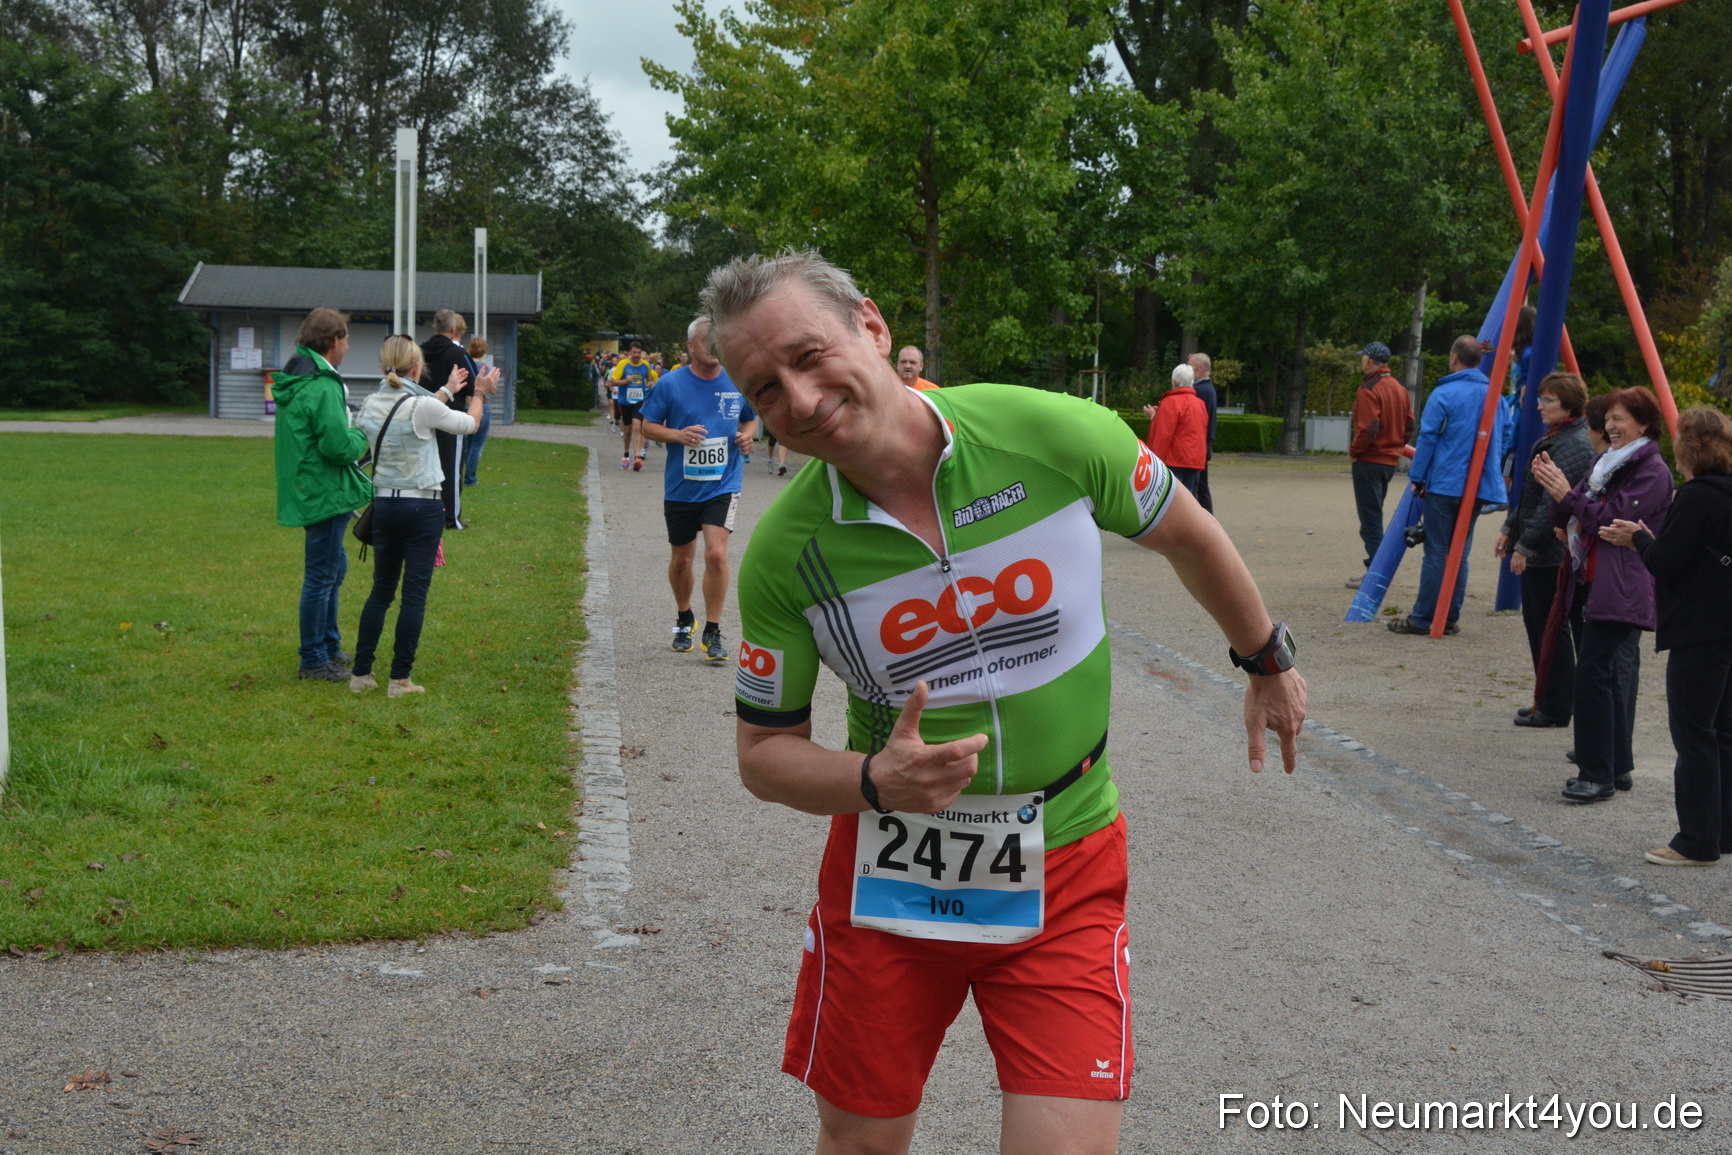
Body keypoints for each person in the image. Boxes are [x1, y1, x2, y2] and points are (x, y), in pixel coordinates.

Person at [709, 250, 1306, 1154]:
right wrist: (874, 778)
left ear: (871, 325)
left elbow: (1189, 533)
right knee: (862, 1144)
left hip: (1066, 859)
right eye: (763, 390)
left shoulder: (1051, 433)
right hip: (890, 882)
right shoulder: (787, 553)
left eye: (809, 354)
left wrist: (1265, 655)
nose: (796, 399)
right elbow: (762, 754)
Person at [1601, 407, 1732, 859]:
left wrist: (1637, 538)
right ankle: (1723, 831)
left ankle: (1696, 841)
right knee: (1723, 730)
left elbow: (1666, 562)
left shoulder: (1695, 496)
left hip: (1700, 628)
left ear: (1688, 446)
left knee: (1693, 733)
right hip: (1727, 626)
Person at [1532, 386, 1672, 802]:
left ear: (1644, 423)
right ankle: (1617, 766)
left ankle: (1597, 774)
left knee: (1593, 673)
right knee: (1604, 675)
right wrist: (1560, 495)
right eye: (1607, 418)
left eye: (1620, 418)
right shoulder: (1605, 464)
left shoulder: (1652, 470)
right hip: (1591, 577)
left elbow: (1610, 522)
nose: (1610, 426)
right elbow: (1572, 512)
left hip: (1623, 584)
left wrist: (1567, 497)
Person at [350, 335, 499, 696]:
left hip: (384, 505)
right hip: (422, 506)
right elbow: (469, 425)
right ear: (417, 366)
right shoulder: (421, 405)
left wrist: (447, 390)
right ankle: (399, 678)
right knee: (414, 595)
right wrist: (477, 394)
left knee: (381, 591)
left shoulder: (370, 403)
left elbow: (414, 410)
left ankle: (360, 674)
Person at [637, 317, 758, 661]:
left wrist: (747, 435)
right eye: (708, 341)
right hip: (681, 488)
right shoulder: (670, 384)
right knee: (681, 560)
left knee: (716, 554)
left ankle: (713, 630)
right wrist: (677, 435)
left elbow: (750, 417)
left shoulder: (735, 381)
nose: (716, 347)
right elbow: (648, 426)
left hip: (723, 483)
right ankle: (684, 616)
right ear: (691, 346)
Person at [272, 307, 371, 683]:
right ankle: (313, 659)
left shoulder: (297, 379)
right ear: (333, 341)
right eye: (345, 340)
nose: (347, 347)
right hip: (324, 490)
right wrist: (362, 433)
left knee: (333, 568)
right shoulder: (323, 385)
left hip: (310, 486)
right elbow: (338, 447)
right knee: (322, 575)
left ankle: (328, 647)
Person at [1388, 335, 1508, 636]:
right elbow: (1505, 437)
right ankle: (1450, 615)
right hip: (1478, 484)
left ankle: (1425, 617)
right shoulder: (1497, 396)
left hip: (1445, 482)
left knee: (1436, 551)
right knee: (1460, 551)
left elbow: (1428, 438)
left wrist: (1418, 477)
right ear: (1479, 361)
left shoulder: (1445, 393)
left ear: (1454, 358)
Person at [1493, 372, 1593, 728]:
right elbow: (1532, 494)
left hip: (1552, 552)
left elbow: (1551, 505)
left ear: (1566, 403)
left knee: (1551, 629)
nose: (1539, 406)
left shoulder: (1574, 444)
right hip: (1541, 549)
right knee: (1538, 626)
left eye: (1547, 400)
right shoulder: (1558, 438)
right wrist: (1509, 527)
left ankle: (1556, 703)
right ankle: (1546, 697)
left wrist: (1525, 544)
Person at [1346, 342, 1414, 588]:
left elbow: (1368, 427)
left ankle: (1375, 574)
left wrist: (1355, 452)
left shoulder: (1368, 389)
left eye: (1363, 356)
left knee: (1370, 520)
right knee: (1375, 514)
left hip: (1369, 460)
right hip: (1389, 462)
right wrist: (1396, 446)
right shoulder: (1400, 388)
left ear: (1369, 360)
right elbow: (1409, 425)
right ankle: (1373, 567)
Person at [419, 310, 474, 529]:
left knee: (425, 466)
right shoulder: (457, 354)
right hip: (451, 416)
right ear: (453, 330)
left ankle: (425, 510)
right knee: (450, 468)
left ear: (434, 327)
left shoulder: (419, 351)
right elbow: (472, 385)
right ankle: (451, 517)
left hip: (422, 415)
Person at [1142, 363, 1208, 496]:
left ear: (1175, 382)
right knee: (1189, 499)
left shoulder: (1170, 402)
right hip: (1194, 461)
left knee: (1170, 500)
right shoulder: (1200, 404)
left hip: (1174, 460)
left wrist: (1154, 462)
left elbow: (1163, 435)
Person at [610, 341, 659, 470]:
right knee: (628, 430)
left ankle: (637, 457)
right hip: (625, 401)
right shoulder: (623, 364)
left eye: (638, 353)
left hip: (639, 401)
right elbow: (612, 381)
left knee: (637, 427)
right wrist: (626, 381)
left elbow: (649, 377)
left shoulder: (646, 365)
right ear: (629, 353)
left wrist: (650, 383)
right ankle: (626, 455)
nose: (636, 355)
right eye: (634, 353)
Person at [1187, 352, 1219, 513]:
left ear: (1200, 368)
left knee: (1199, 486)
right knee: (1201, 486)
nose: (1188, 368)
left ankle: (1207, 520)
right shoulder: (1207, 389)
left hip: (1198, 444)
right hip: (1203, 443)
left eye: (1190, 365)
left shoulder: (1201, 390)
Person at [463, 335, 493, 486]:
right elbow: (492, 389)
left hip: (466, 407)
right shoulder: (485, 369)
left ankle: (459, 474)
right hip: (482, 406)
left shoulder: (466, 366)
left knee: (467, 444)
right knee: (477, 446)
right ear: (483, 350)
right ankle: (470, 478)